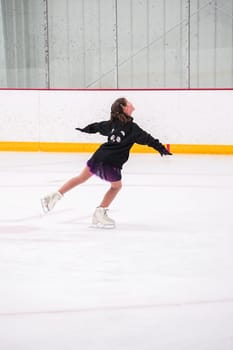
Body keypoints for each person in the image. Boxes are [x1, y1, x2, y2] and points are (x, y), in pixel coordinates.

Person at [41, 97, 172, 227]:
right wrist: (161, 149)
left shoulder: (111, 124)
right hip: (112, 162)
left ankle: (54, 196)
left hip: (99, 156)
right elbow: (148, 139)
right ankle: (100, 212)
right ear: (124, 108)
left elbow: (97, 127)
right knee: (116, 187)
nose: (132, 105)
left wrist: (85, 129)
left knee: (81, 178)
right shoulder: (132, 128)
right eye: (129, 103)